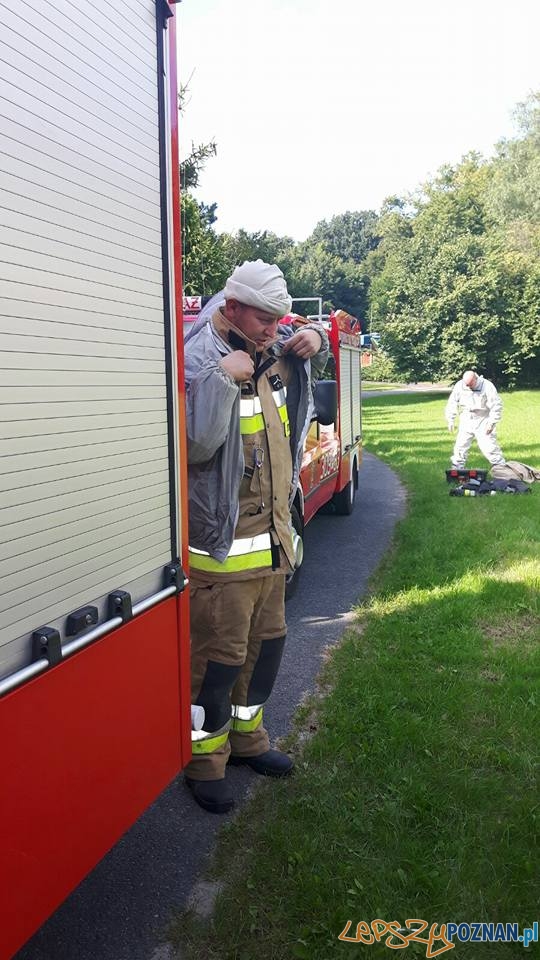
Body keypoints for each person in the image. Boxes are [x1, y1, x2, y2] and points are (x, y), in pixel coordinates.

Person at [183, 260, 329, 814]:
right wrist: (225, 380)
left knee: (265, 652)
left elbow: (308, 348)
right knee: (215, 665)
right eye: (265, 319)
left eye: (280, 320)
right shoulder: (202, 360)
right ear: (233, 307)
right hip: (222, 556)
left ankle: (249, 743)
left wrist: (313, 335)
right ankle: (204, 763)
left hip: (272, 543)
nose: (274, 328)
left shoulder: (272, 348)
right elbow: (196, 447)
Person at [445, 370, 506, 469]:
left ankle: (501, 470)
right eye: (467, 385)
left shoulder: (487, 386)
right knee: (461, 446)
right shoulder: (459, 386)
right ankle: (456, 469)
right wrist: (450, 419)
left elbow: (496, 405)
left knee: (489, 447)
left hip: (483, 419)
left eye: (471, 384)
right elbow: (452, 402)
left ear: (476, 379)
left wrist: (492, 423)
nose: (468, 387)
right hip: (466, 418)